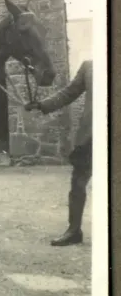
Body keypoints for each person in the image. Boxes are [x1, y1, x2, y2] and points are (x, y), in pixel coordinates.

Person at [25, 59, 93, 246]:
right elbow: (69, 93)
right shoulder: (89, 66)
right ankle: (74, 230)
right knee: (78, 182)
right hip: (91, 135)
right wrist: (41, 105)